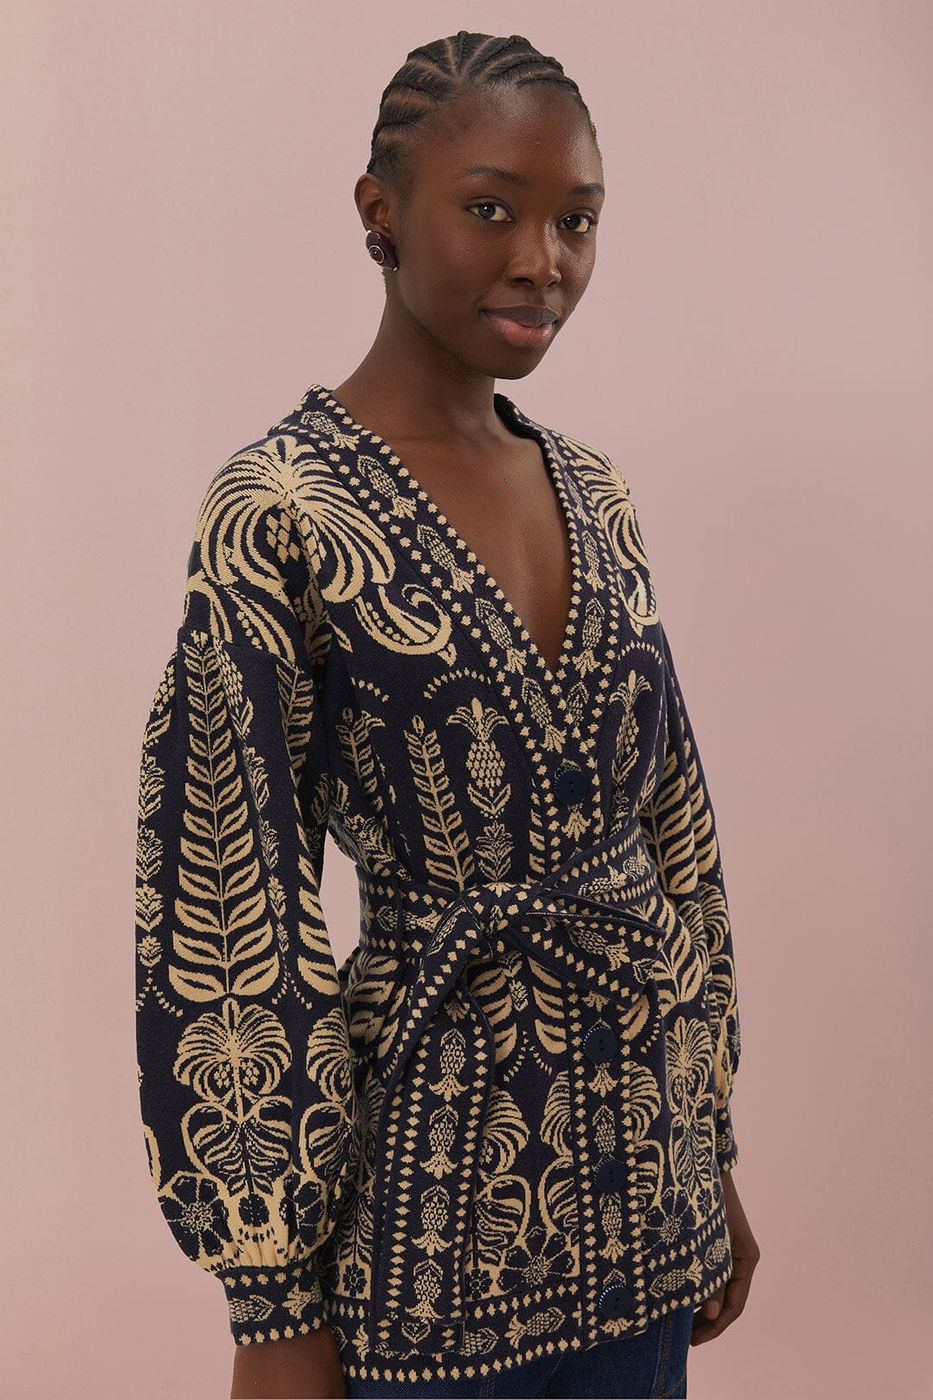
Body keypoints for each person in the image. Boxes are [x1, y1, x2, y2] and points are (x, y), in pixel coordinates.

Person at [134, 30, 759, 1400]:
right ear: (381, 212)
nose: (542, 259)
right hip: (425, 1238)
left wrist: (708, 1145)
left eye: (576, 221)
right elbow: (225, 901)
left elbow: (677, 834)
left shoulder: (594, 492)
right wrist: (270, 1301)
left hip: (647, 1200)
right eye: (490, 209)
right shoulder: (282, 511)